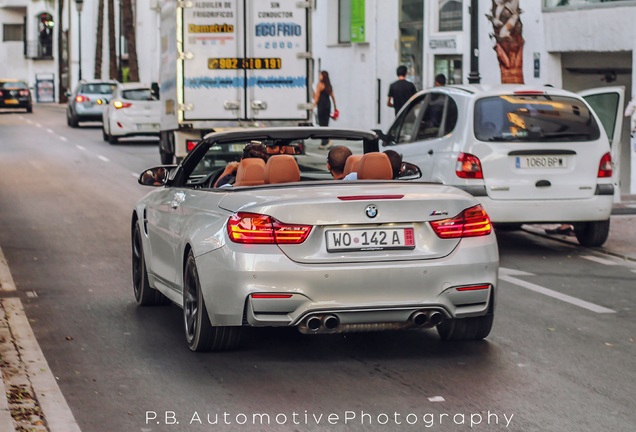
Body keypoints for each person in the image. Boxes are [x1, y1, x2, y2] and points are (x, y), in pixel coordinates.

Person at [314, 71, 337, 149]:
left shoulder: (320, 85)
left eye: (320, 75)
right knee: (326, 124)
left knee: (321, 124)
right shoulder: (328, 86)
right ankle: (325, 141)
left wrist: (313, 105)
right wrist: (335, 107)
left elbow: (317, 96)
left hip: (321, 105)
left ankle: (324, 141)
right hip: (327, 105)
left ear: (323, 76)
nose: (319, 76)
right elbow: (333, 97)